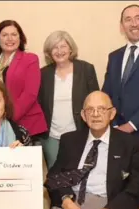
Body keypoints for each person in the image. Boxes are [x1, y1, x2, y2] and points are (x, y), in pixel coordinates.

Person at [44, 91, 139, 209]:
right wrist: (66, 201)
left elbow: (138, 185)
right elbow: (54, 176)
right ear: (83, 115)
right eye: (90, 110)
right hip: (71, 204)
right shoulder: (70, 140)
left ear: (112, 113)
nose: (96, 114)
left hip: (108, 206)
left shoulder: (129, 144)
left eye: (102, 109)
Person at [102, 4, 139, 209]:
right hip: (119, 140)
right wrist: (111, 124)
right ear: (121, 25)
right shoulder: (114, 57)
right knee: (124, 197)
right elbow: (107, 94)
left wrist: (132, 124)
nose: (133, 23)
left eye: (137, 18)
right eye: (128, 19)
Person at [39, 30, 99, 169]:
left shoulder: (86, 69)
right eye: (55, 47)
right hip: (51, 137)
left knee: (78, 173)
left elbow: (95, 100)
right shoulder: (43, 74)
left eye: (63, 46)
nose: (59, 51)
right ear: (49, 52)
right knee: (55, 177)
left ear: (70, 48)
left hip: (79, 133)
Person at [0, 20, 47, 142]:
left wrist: (6, 120)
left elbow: (30, 95)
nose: (9, 39)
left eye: (14, 34)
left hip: (24, 126)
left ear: (20, 38)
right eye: (4, 35)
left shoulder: (30, 59)